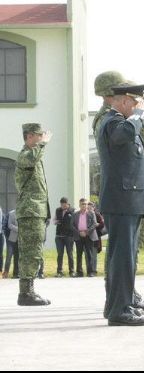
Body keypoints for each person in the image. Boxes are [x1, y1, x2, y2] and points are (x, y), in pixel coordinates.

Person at [98, 83, 144, 326]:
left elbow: (133, 160)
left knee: (124, 256)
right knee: (122, 258)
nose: (139, 108)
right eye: (136, 103)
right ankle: (119, 310)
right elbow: (122, 135)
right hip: (122, 200)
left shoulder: (125, 125)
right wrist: (140, 115)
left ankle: (119, 304)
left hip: (128, 199)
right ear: (125, 101)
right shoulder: (113, 122)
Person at [14, 123, 52, 306]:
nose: (42, 138)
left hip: (35, 212)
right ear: (29, 137)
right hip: (30, 212)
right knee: (31, 252)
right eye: (39, 136)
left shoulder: (34, 156)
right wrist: (43, 145)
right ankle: (26, 293)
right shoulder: (25, 156)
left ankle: (28, 290)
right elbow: (31, 159)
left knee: (34, 251)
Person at [71, 198, 98, 277]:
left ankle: (90, 272)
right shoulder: (75, 214)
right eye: (83, 204)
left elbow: (94, 224)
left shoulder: (91, 213)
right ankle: (79, 272)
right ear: (79, 205)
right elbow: (71, 225)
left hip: (88, 236)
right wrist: (79, 232)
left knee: (89, 254)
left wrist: (86, 232)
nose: (84, 205)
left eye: (85, 204)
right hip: (78, 236)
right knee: (79, 254)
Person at [54, 198, 76, 277]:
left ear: (67, 204)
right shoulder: (58, 210)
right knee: (60, 254)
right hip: (59, 236)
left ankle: (72, 271)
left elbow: (74, 223)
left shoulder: (73, 210)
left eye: (64, 205)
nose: (62, 206)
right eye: (61, 205)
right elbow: (54, 220)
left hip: (69, 236)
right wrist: (55, 221)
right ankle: (59, 271)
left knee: (70, 254)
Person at [3, 209, 20, 278]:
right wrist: (19, 229)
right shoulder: (11, 213)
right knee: (9, 257)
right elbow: (9, 225)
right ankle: (6, 273)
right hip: (11, 239)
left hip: (19, 239)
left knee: (17, 257)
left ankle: (16, 274)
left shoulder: (23, 213)